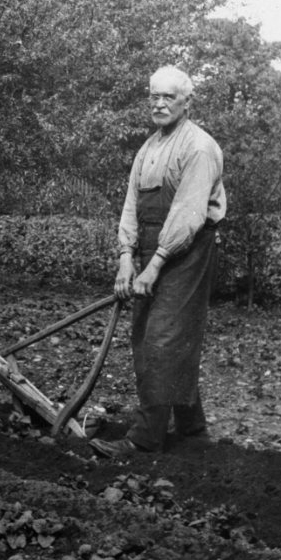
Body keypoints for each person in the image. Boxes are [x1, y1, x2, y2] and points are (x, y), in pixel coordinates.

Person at [91, 65, 225, 457]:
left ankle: (145, 438)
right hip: (151, 247)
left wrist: (155, 265)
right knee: (148, 334)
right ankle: (192, 429)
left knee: (163, 338)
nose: (160, 104)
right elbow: (131, 205)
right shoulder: (148, 148)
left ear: (187, 102)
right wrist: (126, 257)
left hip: (188, 250)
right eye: (154, 96)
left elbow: (186, 216)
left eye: (169, 97)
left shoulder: (199, 148)